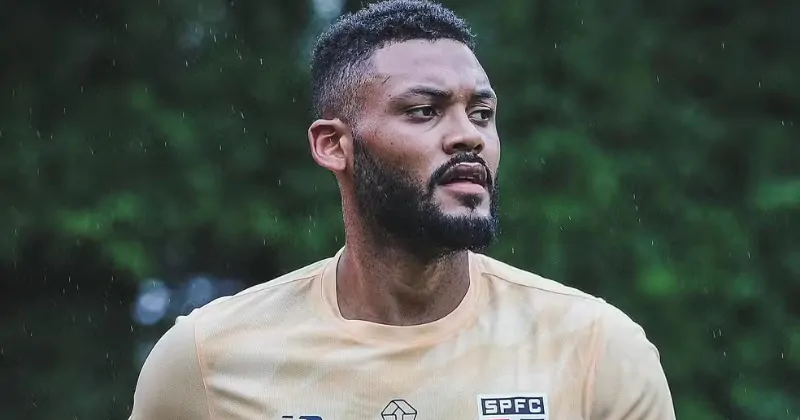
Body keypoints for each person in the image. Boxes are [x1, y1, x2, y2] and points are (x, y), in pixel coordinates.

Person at [128, 1, 676, 419]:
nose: (468, 137)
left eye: (482, 113)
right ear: (333, 146)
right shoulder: (206, 360)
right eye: (424, 111)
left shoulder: (597, 350)